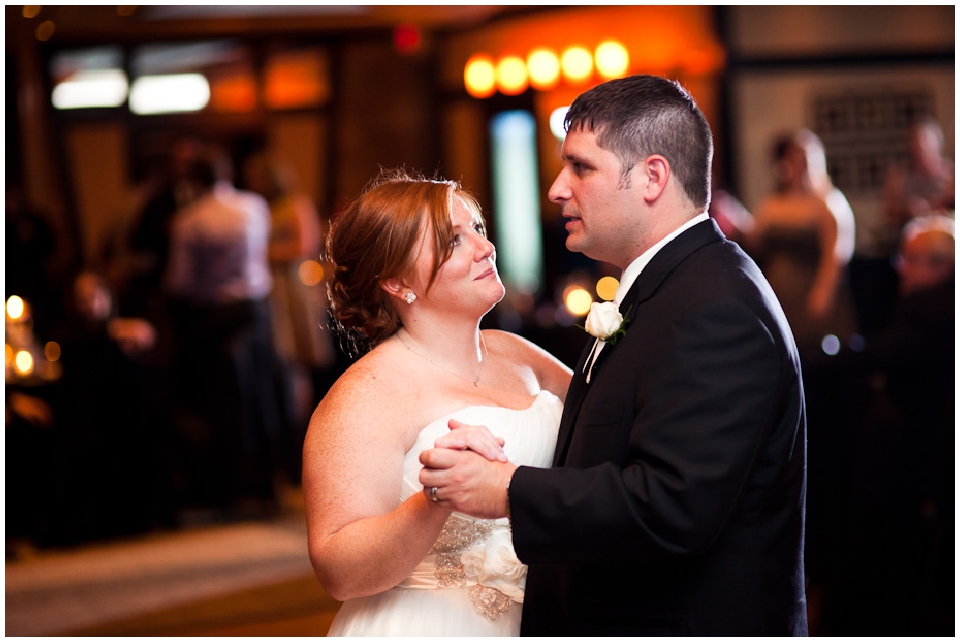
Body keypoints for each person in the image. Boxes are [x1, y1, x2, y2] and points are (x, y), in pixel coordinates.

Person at [420, 75, 808, 636]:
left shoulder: (716, 308)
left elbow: (672, 505)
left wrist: (506, 487)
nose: (556, 189)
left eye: (581, 167)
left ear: (653, 176)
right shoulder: (673, 288)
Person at [302, 170, 571, 636]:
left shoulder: (517, 351)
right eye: (453, 242)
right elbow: (338, 572)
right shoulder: (366, 393)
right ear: (396, 281)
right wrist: (434, 499)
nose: (485, 248)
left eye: (479, 231)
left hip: (546, 616)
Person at [164, 146, 287, 514]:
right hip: (255, 309)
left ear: (192, 180)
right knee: (261, 394)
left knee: (222, 402)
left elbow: (179, 281)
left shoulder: (189, 220)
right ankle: (267, 484)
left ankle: (230, 488)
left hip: (213, 316)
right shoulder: (253, 207)